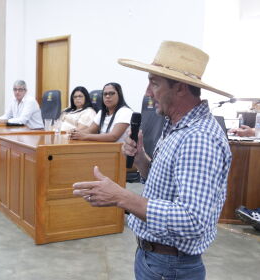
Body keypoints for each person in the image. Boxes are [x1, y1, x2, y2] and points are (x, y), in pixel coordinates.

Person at [73, 41, 233, 279]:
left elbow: (192, 220)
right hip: (157, 259)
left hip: (169, 266)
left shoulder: (198, 138)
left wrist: (121, 197)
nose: (147, 92)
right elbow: (168, 187)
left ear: (179, 88)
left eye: (154, 83)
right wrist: (141, 161)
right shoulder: (176, 126)